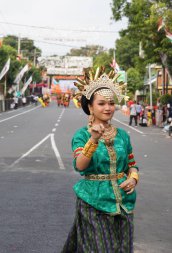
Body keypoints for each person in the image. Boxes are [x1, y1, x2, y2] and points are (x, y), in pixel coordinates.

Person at [63, 67, 139, 253]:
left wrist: (133, 178)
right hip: (94, 201)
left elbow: (132, 165)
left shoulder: (123, 135)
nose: (108, 108)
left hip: (123, 202)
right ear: (90, 107)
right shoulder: (82, 135)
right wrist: (94, 139)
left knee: (123, 249)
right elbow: (80, 166)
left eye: (111, 103)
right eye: (101, 103)